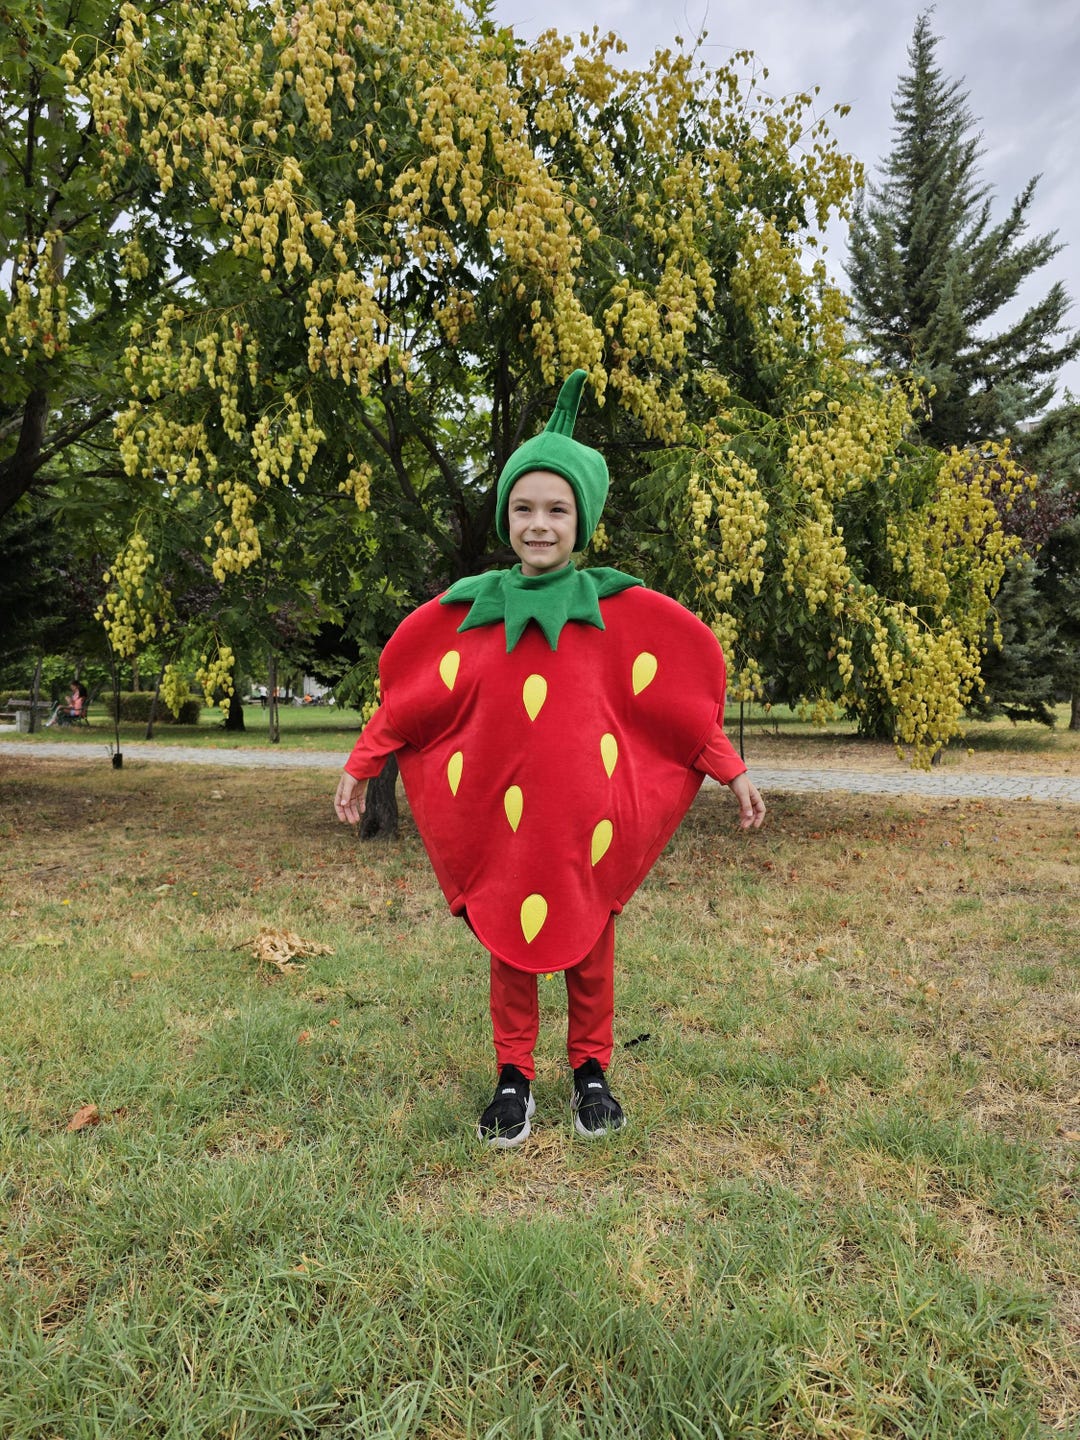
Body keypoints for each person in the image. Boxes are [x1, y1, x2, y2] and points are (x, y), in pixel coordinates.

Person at [334, 371, 765, 1148]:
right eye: (524, 508)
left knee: (591, 944)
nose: (539, 524)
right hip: (505, 825)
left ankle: (591, 1069)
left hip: (586, 822)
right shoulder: (474, 610)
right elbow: (418, 696)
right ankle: (514, 1075)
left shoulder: (616, 611)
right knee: (511, 944)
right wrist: (365, 760)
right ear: (507, 517)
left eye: (556, 509)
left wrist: (728, 767)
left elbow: (669, 700)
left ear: (582, 520)